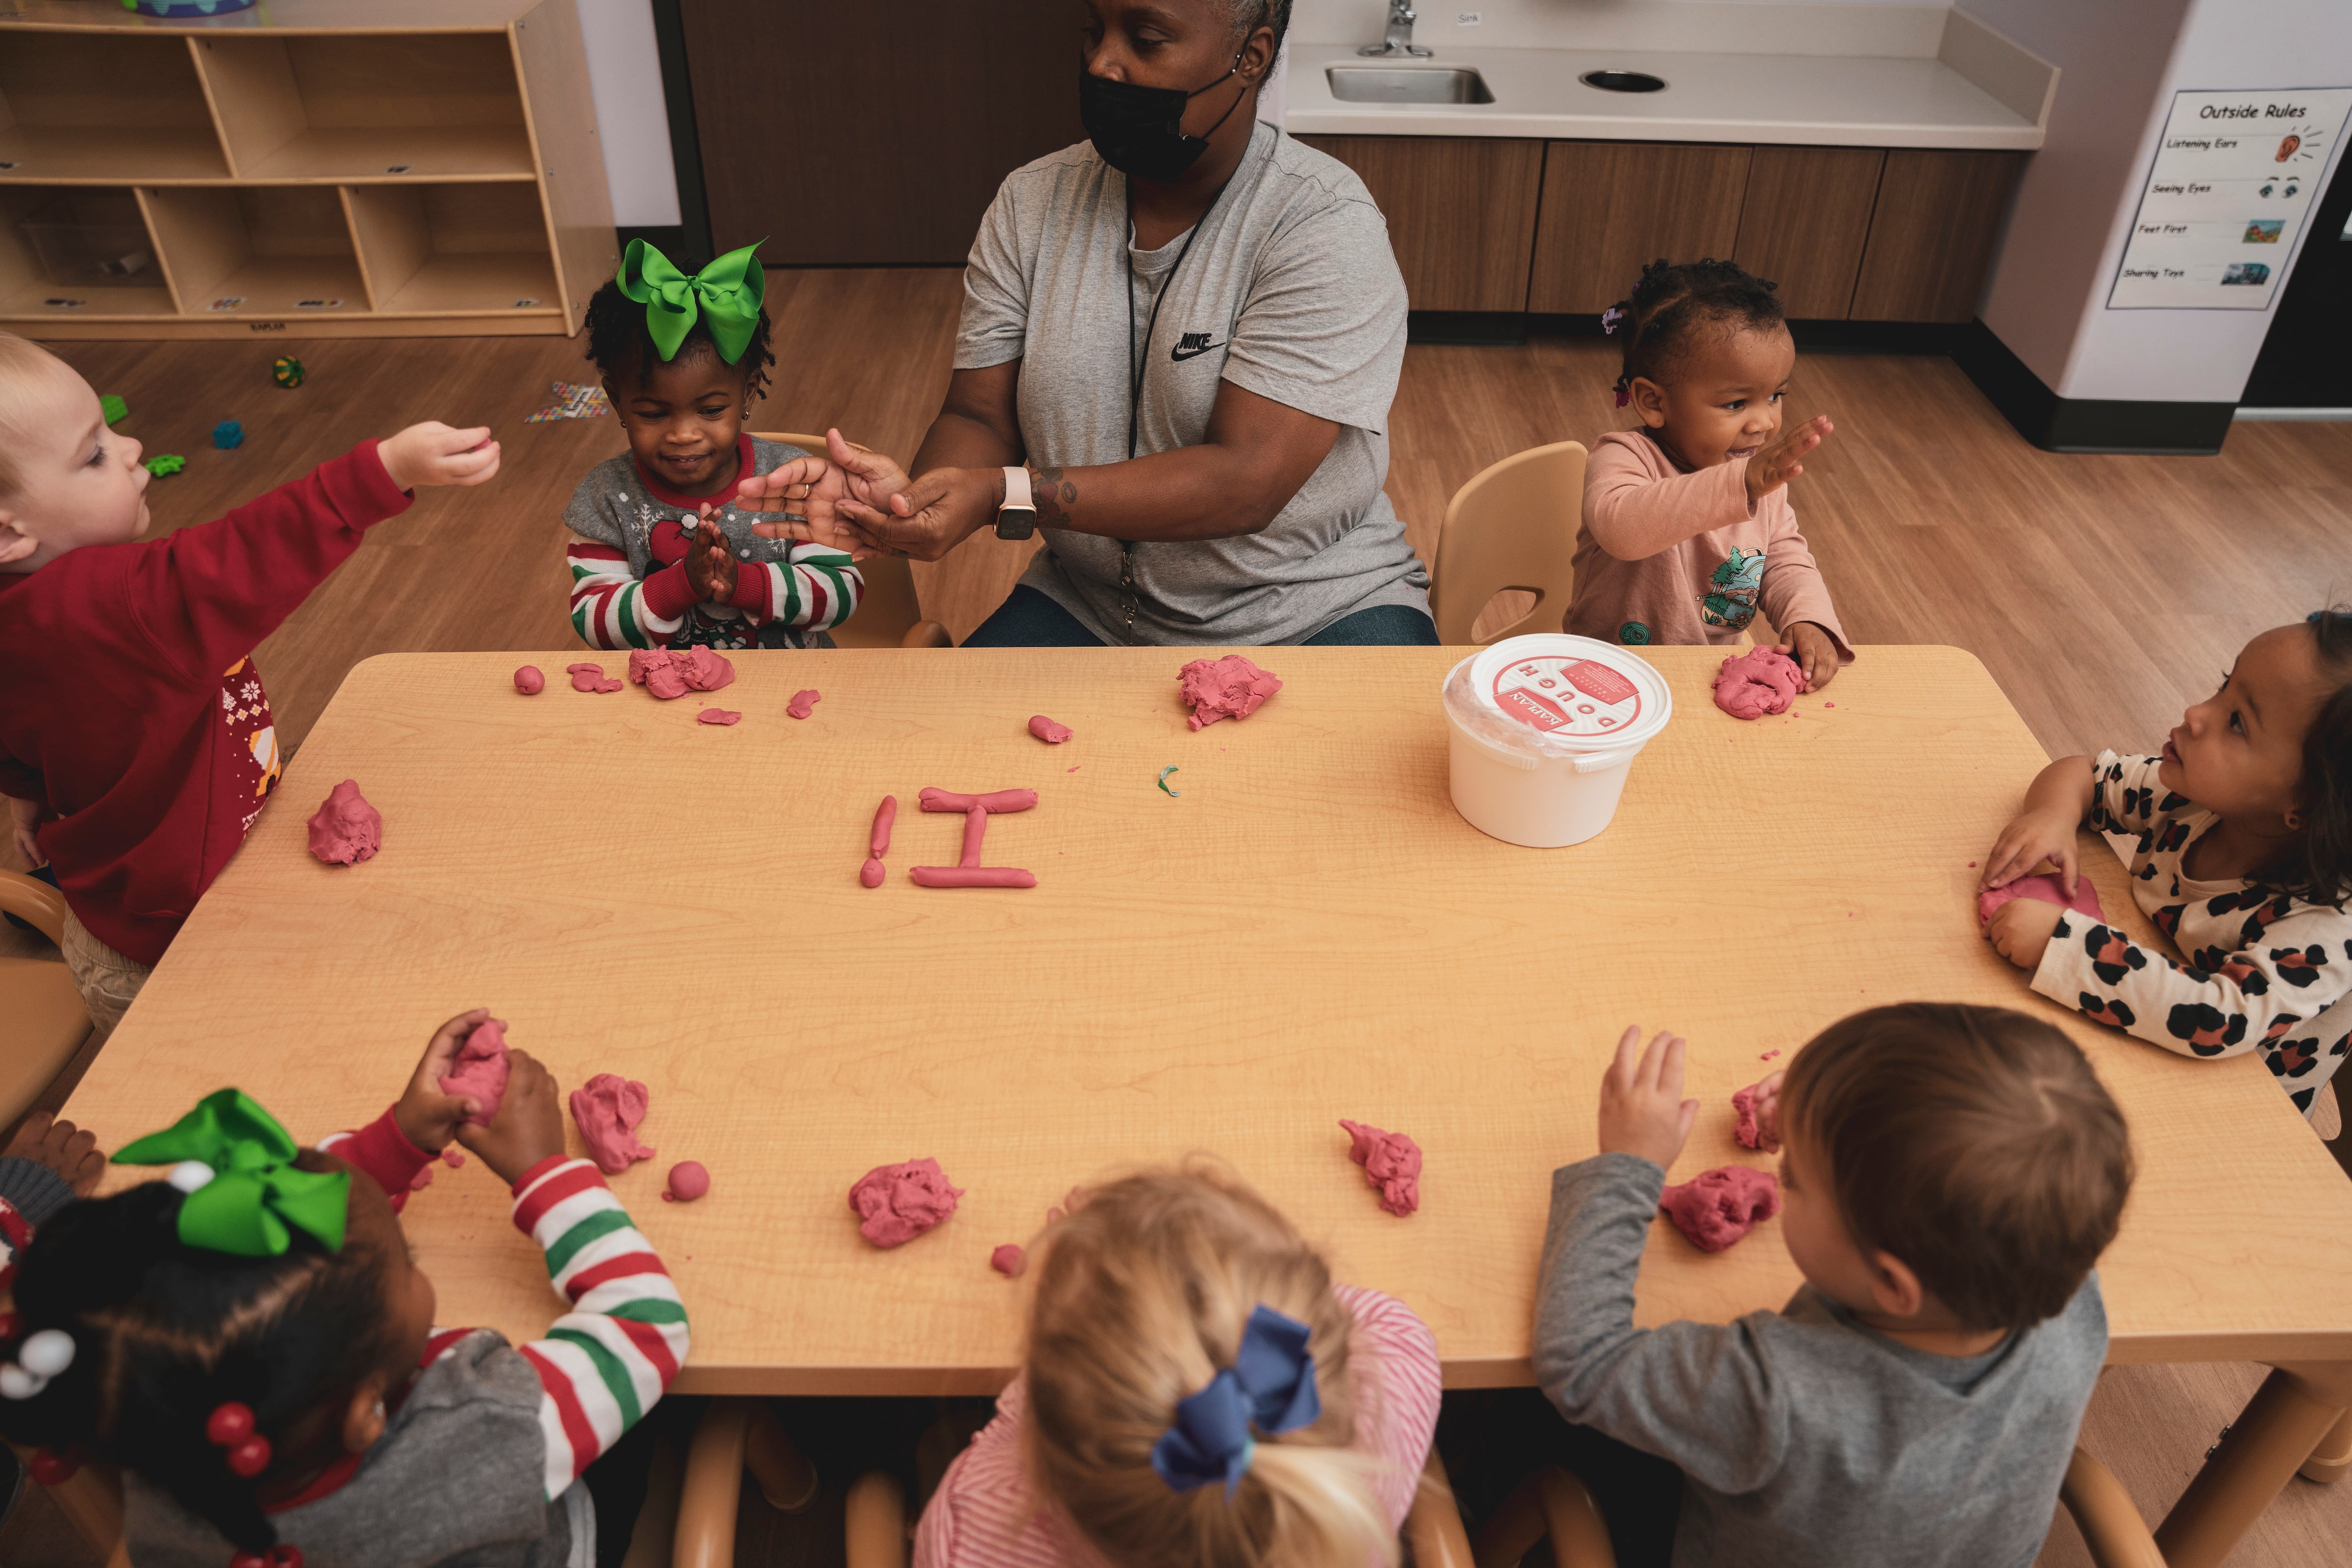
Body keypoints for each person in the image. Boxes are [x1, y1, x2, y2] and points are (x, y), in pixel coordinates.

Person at [748, 0, 1432, 649]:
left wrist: (1002, 493)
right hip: (1094, 606)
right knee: (938, 762)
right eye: (1093, 30)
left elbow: (1245, 482)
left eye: (1145, 38)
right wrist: (907, 503)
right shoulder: (1030, 203)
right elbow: (981, 417)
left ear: (1250, 56)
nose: (1103, 63)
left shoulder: (1324, 225)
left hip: (1315, 609)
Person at [0, 1010, 687, 1568]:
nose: (410, 1264)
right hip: (548, 1534)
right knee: (682, 1408)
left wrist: (395, 1143)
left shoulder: (158, 1433)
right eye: (406, 1260)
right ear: (367, 1412)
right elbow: (648, 1325)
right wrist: (544, 1171)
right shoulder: (485, 1431)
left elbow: (271, 1266)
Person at [0, 334, 499, 1042]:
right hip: (178, 945)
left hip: (112, 913)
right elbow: (240, 558)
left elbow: (18, 730)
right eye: (95, 453)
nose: (135, 445)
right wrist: (379, 474)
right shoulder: (116, 601)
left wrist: (25, 793)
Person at [1532, 1005, 2130, 1568]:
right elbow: (2001, 1149)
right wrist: (1840, 1109)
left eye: (1794, 1177)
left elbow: (1582, 1363)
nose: (1783, 1170)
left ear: (1892, 1284)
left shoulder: (1771, 1396)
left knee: (1531, 1444)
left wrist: (1626, 1167)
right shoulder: (2069, 1296)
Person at [914, 1165, 1442, 1568]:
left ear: (1039, 1449)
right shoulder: (1391, 1391)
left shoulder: (968, 1534)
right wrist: (1221, 1298)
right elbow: (1383, 1323)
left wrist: (1089, 1312)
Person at [1982, 612, 2352, 1117]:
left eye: (2237, 722)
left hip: (2236, 1113)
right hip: (2136, 1038)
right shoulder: (2195, 800)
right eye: (2225, 686)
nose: (2196, 712)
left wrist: (2063, 948)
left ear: (2306, 807)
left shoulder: (2325, 926)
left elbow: (2216, 1019)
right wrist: (2053, 814)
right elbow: (2085, 774)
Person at [565, 239, 863, 651]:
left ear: (749, 393)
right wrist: (682, 584)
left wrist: (743, 584)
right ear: (617, 401)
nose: (683, 435)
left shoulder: (793, 480)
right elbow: (594, 621)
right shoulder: (607, 496)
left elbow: (841, 593)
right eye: (654, 414)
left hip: (791, 688)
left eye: (710, 410)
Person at [1566, 259, 1848, 691]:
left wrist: (1808, 617)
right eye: (1736, 404)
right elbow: (1622, 528)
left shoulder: (1759, 480)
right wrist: (1744, 483)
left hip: (1709, 673)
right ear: (1653, 402)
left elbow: (1784, 559)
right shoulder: (1623, 457)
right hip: (1604, 671)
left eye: (1775, 396)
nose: (1763, 423)